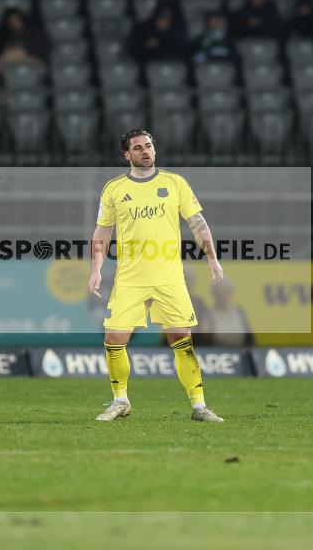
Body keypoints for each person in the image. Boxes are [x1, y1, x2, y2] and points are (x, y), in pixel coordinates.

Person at [89, 129, 225, 423]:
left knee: (182, 339)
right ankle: (120, 401)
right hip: (129, 278)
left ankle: (200, 406)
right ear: (127, 155)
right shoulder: (113, 189)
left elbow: (197, 222)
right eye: (138, 148)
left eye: (148, 146)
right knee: (114, 338)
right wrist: (96, 268)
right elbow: (103, 231)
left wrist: (212, 257)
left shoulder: (174, 183)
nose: (145, 151)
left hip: (169, 278)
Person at [0, 7, 50, 74]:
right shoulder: (6, 35)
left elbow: (46, 46)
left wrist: (24, 48)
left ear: (21, 19)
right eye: (10, 20)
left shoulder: (34, 32)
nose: (13, 22)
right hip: (11, 63)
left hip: (32, 59)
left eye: (15, 19)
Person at [206, 279, 254, 347]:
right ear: (214, 294)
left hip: (241, 351)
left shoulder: (239, 311)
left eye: (225, 291)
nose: (222, 295)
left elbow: (249, 337)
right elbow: (206, 339)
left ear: (230, 292)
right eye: (218, 292)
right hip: (218, 352)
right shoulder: (208, 314)